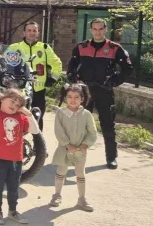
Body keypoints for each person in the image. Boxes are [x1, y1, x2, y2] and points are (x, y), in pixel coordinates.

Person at [67, 18, 133, 169]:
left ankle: (111, 158)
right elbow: (73, 63)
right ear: (91, 30)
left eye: (100, 29)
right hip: (84, 91)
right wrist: (71, 75)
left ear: (105, 29)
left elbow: (127, 68)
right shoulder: (81, 47)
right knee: (77, 125)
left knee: (108, 125)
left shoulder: (114, 48)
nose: (97, 32)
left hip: (104, 91)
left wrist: (114, 81)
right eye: (95, 29)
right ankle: (74, 156)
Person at [0, 89, 35, 225]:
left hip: (16, 159)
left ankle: (13, 210)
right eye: (12, 101)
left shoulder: (21, 117)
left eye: (18, 104)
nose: (14, 105)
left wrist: (29, 114)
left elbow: (33, 130)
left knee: (13, 187)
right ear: (2, 99)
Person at [50, 83, 98, 212]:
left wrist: (85, 144)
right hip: (64, 149)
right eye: (70, 96)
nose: (73, 99)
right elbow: (58, 131)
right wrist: (67, 144)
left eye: (77, 97)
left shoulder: (86, 114)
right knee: (62, 171)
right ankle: (57, 195)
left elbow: (92, 132)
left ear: (82, 99)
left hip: (80, 151)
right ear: (66, 98)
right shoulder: (61, 113)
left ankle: (82, 199)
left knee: (80, 173)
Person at [7, 21, 63, 127]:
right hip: (20, 89)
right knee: (17, 116)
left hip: (39, 88)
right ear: (24, 33)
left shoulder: (45, 48)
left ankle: (38, 142)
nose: (31, 33)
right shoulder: (15, 47)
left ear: (38, 33)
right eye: (29, 30)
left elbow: (57, 63)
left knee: (38, 116)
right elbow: (5, 63)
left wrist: (53, 79)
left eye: (34, 30)